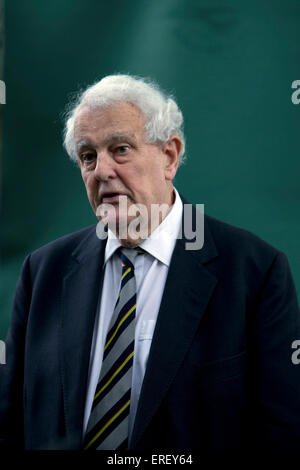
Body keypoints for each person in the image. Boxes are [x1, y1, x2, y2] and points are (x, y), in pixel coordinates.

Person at [1, 74, 300, 451]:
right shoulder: (43, 271)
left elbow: (282, 434)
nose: (102, 172)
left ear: (170, 156)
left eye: (121, 149)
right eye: (88, 156)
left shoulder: (254, 271)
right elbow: (9, 424)